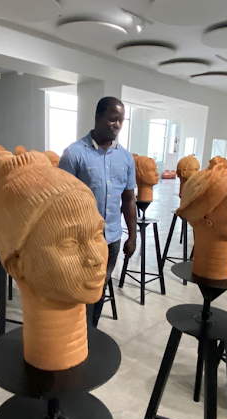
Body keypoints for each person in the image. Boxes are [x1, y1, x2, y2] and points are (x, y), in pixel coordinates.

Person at [59, 96, 137, 327]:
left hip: (111, 238)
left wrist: (132, 236)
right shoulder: (74, 154)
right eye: (112, 119)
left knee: (99, 287)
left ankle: (90, 331)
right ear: (98, 117)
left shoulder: (126, 157)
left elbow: (129, 199)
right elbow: (62, 202)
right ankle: (73, 333)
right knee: (76, 287)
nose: (117, 125)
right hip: (81, 239)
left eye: (121, 121)